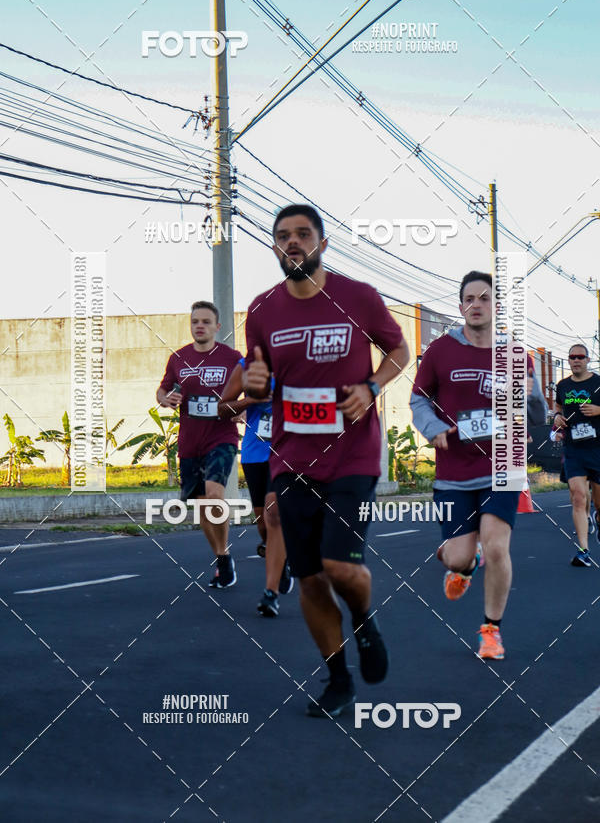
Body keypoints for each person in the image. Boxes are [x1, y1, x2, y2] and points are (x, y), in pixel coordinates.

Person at [243, 204, 409, 718]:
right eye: (283, 236)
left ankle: (364, 619)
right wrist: (254, 384)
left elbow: (400, 350)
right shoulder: (262, 310)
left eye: (302, 234)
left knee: (341, 565)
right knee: (311, 578)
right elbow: (260, 377)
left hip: (352, 454)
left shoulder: (359, 297)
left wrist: (372, 385)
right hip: (291, 458)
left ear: (322, 243)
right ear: (275, 247)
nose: (292, 242)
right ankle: (339, 680)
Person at [410, 271, 547, 660]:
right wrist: (433, 428)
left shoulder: (516, 354)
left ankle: (491, 631)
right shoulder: (440, 351)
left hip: (502, 463)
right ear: (460, 307)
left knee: (497, 545)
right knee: (458, 557)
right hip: (454, 469)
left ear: (496, 307)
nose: (476, 304)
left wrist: (531, 391)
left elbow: (534, 411)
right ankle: (462, 564)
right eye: (469, 298)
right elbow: (418, 398)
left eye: (484, 298)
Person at [157, 300, 241, 588]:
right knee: (203, 507)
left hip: (222, 437)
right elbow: (163, 388)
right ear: (191, 325)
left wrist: (241, 408)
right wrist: (165, 399)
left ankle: (224, 557)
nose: (200, 326)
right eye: (195, 322)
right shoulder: (179, 358)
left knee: (215, 496)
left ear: (217, 327)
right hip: (190, 442)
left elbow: (250, 390)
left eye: (206, 321)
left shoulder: (232, 358)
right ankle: (223, 556)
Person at [218, 361, 293, 617]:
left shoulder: (295, 357)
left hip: (287, 452)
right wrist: (251, 401)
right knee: (262, 521)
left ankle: (271, 591)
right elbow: (223, 409)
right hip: (254, 453)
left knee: (275, 512)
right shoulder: (245, 366)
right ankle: (278, 556)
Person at [554, 343, 600, 566]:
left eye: (580, 357)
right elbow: (557, 407)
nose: (576, 360)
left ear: (587, 359)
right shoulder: (563, 385)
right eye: (572, 357)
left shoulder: (598, 382)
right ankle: (584, 551)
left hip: (598, 448)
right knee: (579, 497)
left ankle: (597, 518)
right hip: (573, 449)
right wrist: (556, 417)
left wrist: (599, 410)